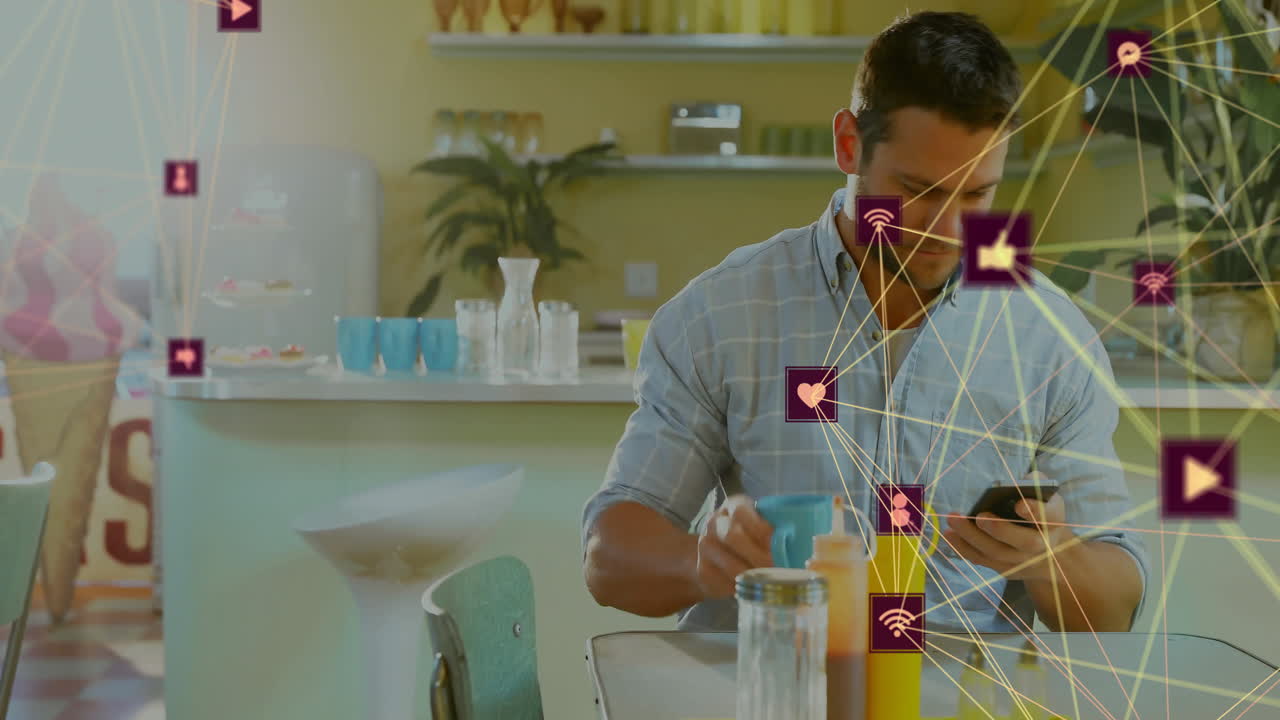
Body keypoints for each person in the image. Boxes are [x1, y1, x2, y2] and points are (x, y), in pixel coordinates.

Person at [580, 11, 1147, 634]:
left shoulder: (1049, 335)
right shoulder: (721, 316)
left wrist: (1051, 559)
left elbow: (1117, 604)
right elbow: (607, 558)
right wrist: (700, 561)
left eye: (976, 194)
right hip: (775, 687)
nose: (949, 230)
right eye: (919, 190)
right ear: (849, 144)